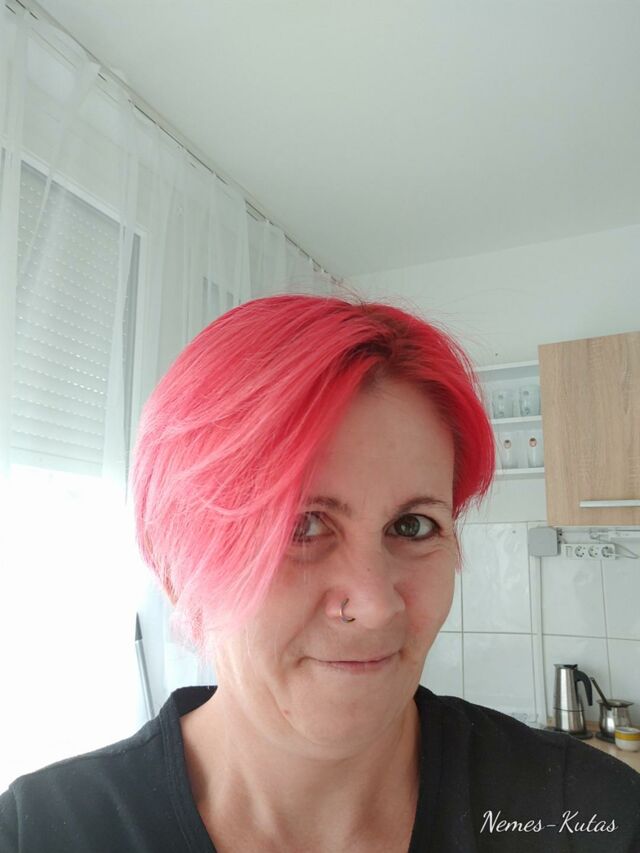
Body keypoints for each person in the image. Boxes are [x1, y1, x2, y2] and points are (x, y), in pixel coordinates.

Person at [1, 293, 638, 853]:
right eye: (301, 526)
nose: (377, 605)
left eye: (412, 526)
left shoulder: (587, 816)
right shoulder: (41, 833)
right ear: (177, 566)